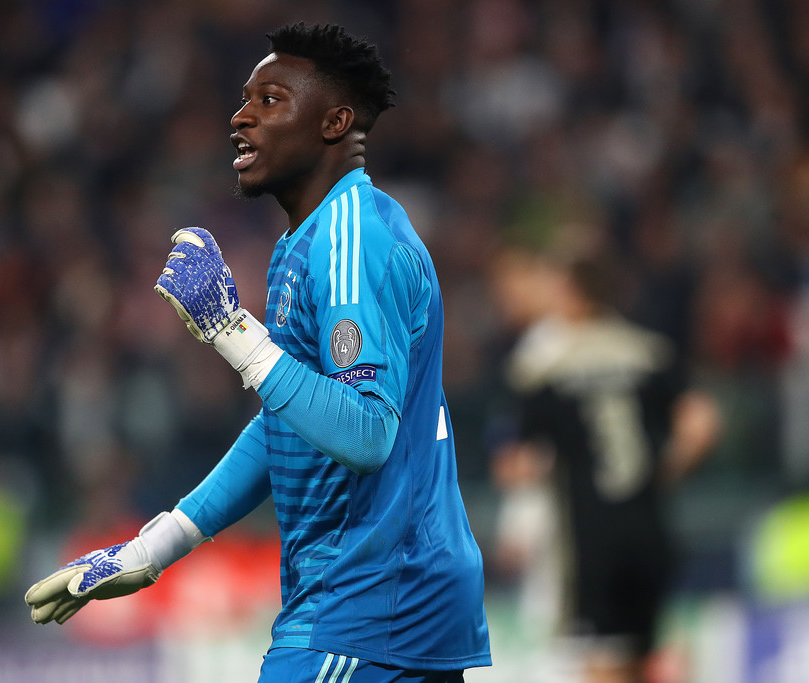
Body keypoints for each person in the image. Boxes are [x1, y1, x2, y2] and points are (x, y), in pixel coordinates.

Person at [25, 22, 491, 681]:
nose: (241, 117)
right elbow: (290, 426)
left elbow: (365, 431)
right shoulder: (314, 241)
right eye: (244, 99)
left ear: (335, 121)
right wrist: (158, 544)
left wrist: (229, 330)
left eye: (270, 100)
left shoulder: (350, 240)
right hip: (384, 607)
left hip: (365, 608)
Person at [493, 248, 720, 683]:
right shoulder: (650, 351)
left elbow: (514, 464)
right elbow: (702, 424)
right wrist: (664, 472)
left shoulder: (546, 367)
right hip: (650, 529)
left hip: (589, 540)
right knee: (640, 656)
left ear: (569, 293)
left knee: (602, 663)